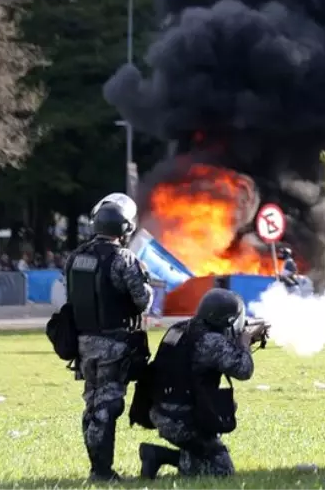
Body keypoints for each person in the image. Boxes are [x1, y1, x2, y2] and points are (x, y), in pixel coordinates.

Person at [65, 193, 153, 481]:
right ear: (125, 229)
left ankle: (97, 468)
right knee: (108, 405)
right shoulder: (123, 260)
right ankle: (101, 472)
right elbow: (142, 302)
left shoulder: (76, 257)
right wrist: (147, 281)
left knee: (92, 404)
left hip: (83, 344)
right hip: (113, 345)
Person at [139, 289, 257, 478]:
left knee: (201, 455)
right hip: (182, 420)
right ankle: (160, 455)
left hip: (160, 411)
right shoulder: (211, 341)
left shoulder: (179, 329)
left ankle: (154, 455)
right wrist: (244, 343)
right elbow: (244, 370)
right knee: (222, 471)